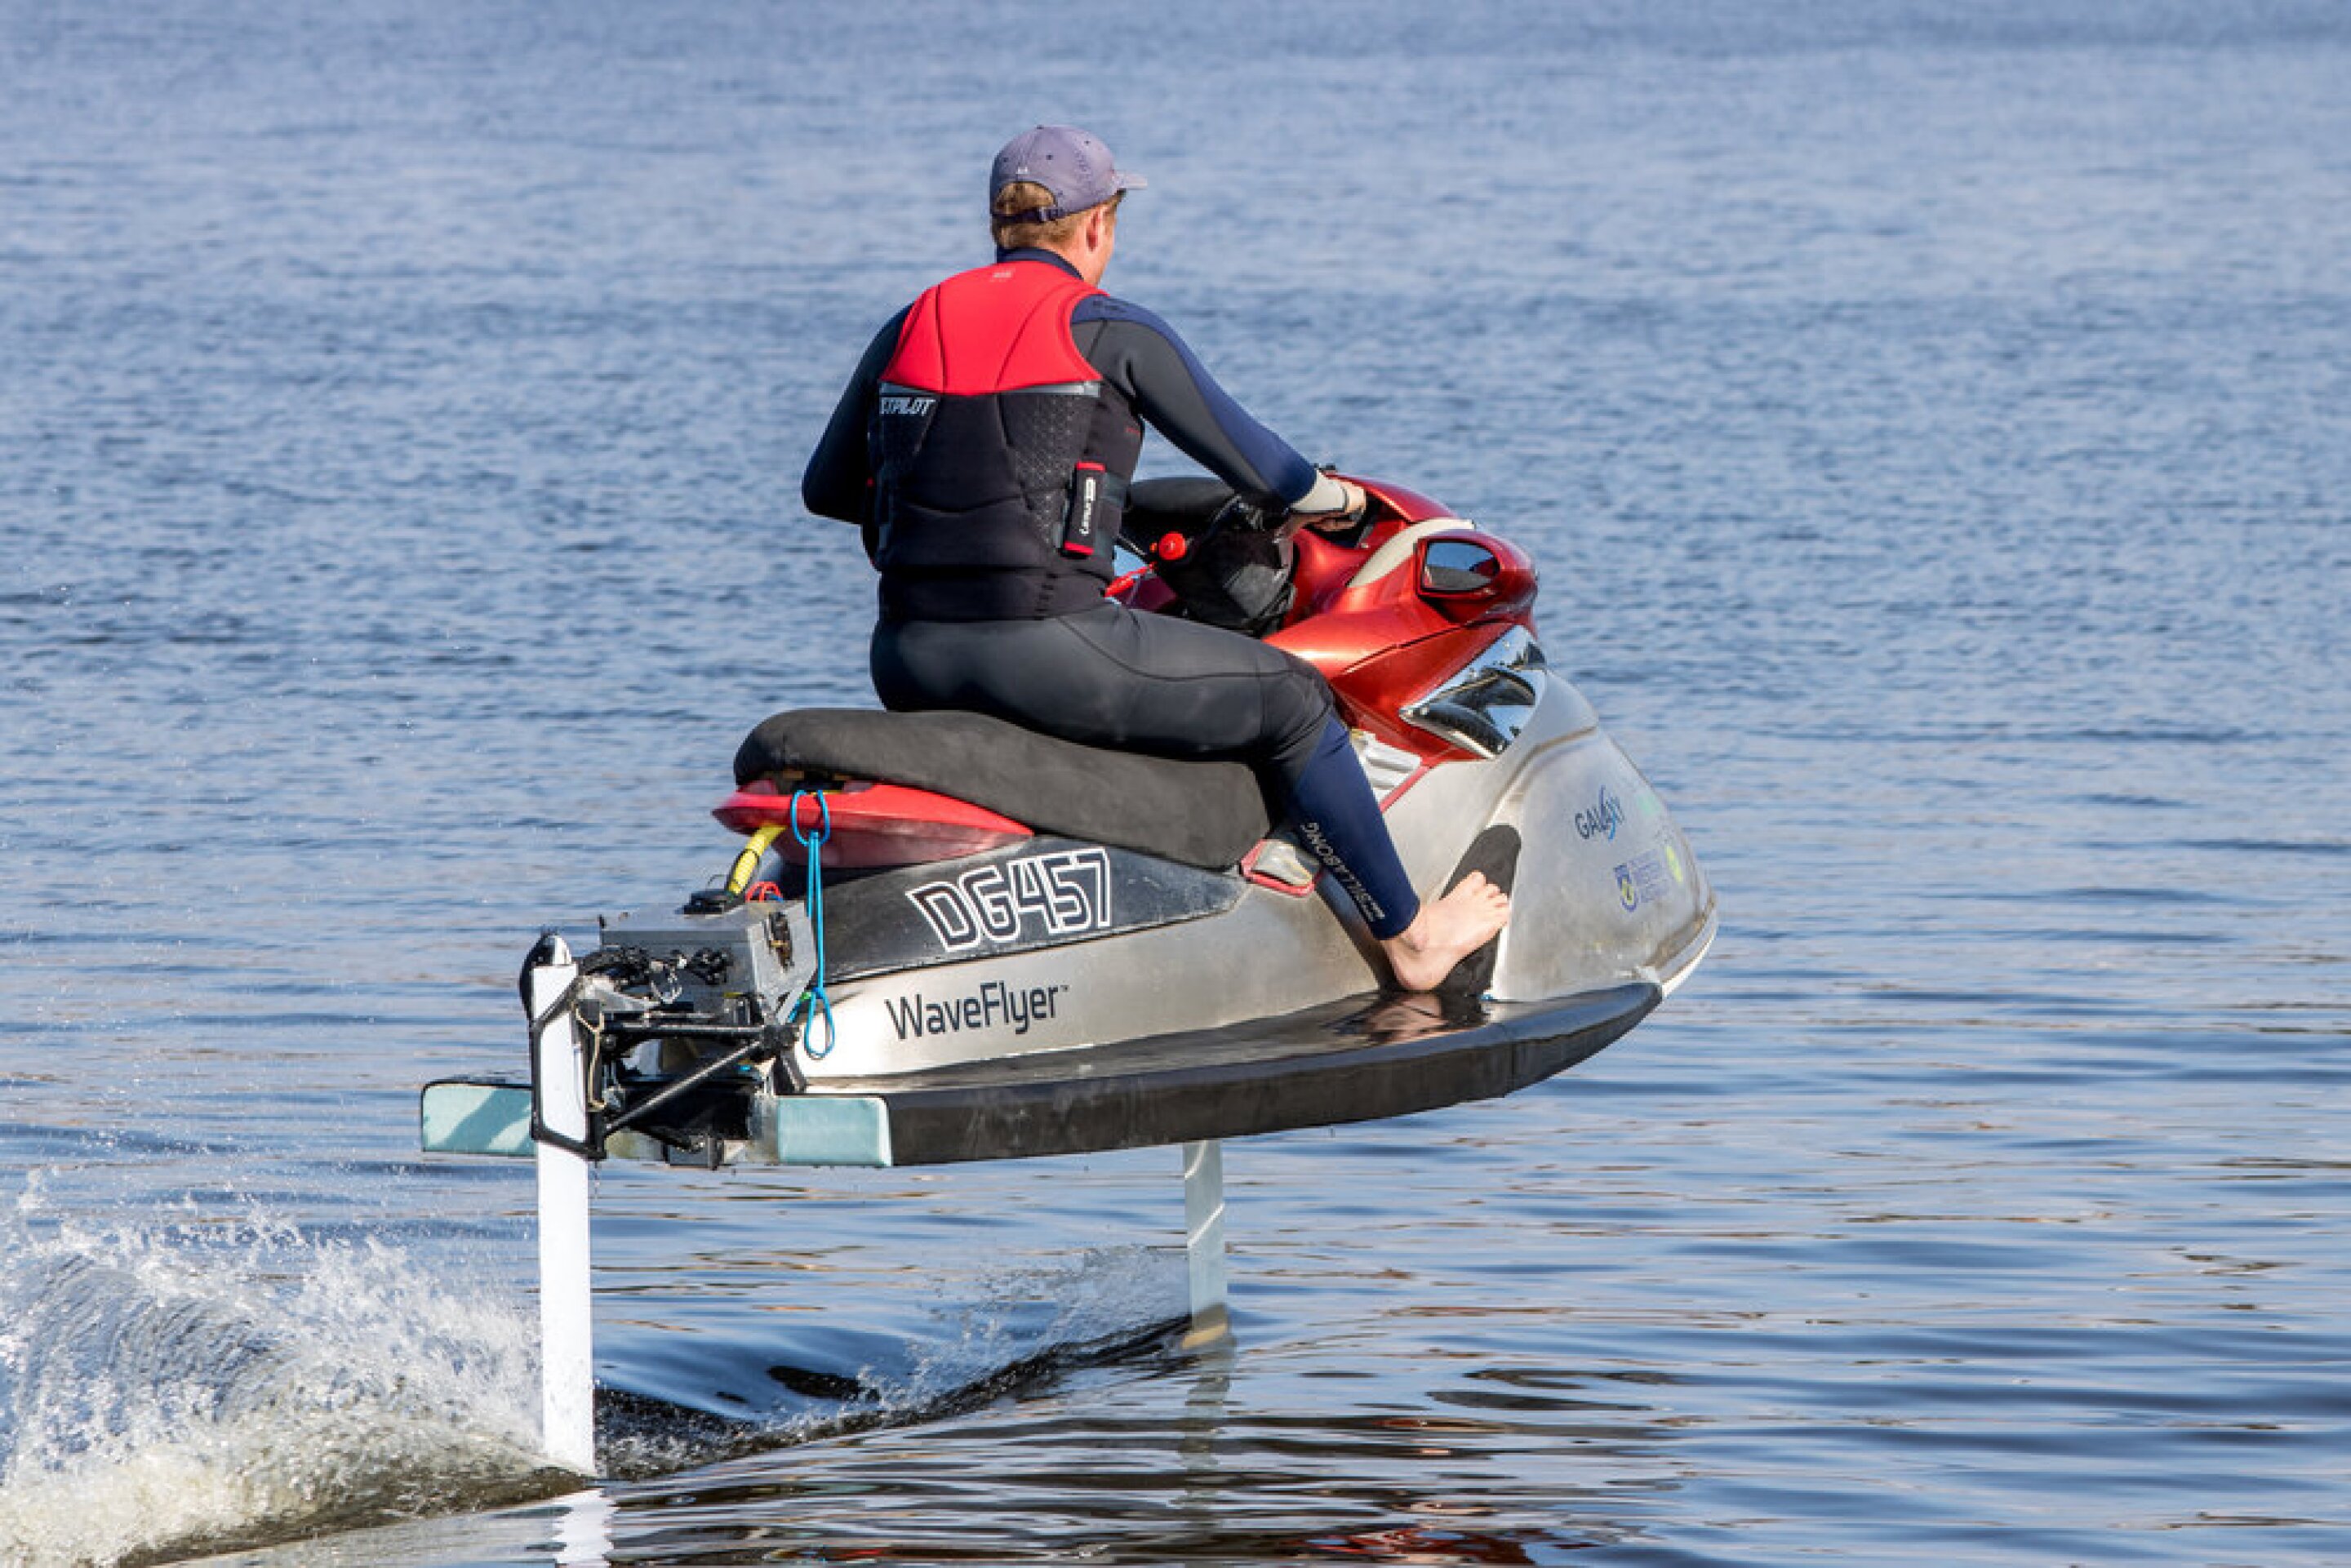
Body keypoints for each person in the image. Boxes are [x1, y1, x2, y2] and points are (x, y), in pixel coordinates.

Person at [802, 125, 1508, 991]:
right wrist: (1347, 502)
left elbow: (826, 489)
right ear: (1096, 226)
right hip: (1050, 653)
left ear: (999, 223)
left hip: (906, 660)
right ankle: (1413, 940)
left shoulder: (913, 321)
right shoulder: (1111, 329)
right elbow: (1269, 471)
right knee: (1290, 699)